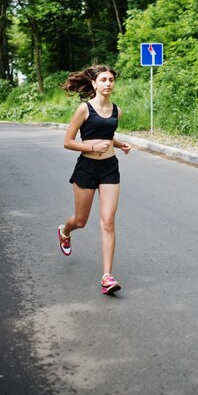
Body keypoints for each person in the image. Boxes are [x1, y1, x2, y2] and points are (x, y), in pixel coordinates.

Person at [58, 65, 131, 295]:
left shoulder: (116, 110)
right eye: (103, 79)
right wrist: (91, 146)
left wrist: (119, 144)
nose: (108, 83)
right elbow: (68, 141)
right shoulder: (84, 109)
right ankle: (64, 232)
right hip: (87, 168)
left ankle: (107, 276)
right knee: (80, 221)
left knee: (108, 222)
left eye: (111, 80)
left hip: (110, 168)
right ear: (94, 84)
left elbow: (106, 135)